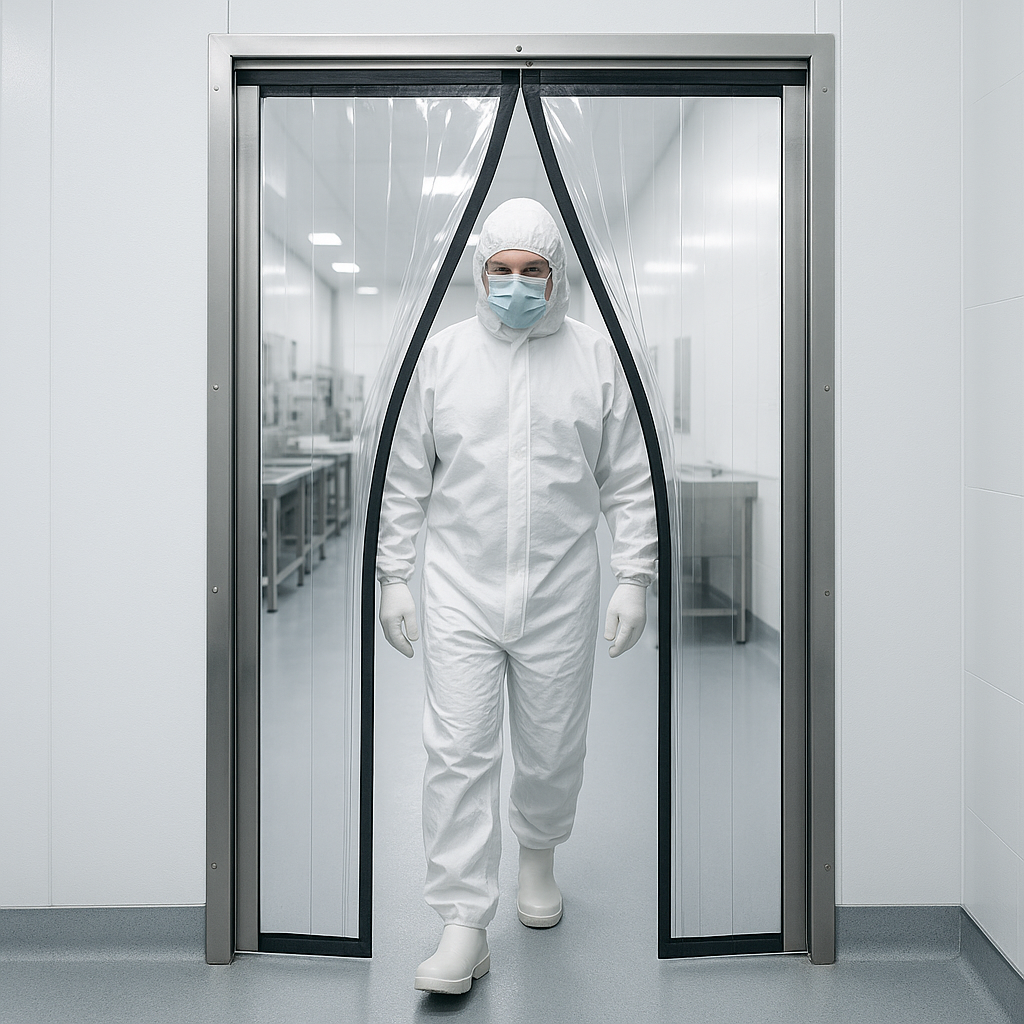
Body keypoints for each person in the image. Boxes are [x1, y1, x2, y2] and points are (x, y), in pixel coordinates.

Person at [376, 198, 657, 994]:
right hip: (460, 583)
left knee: (552, 739)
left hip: (562, 586)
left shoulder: (596, 359)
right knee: (457, 751)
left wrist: (635, 576)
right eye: (501, 271)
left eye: (532, 271)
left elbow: (629, 481)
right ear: (479, 274)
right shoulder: (442, 357)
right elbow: (405, 477)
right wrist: (393, 574)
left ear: (556, 277)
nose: (515, 285)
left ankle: (539, 859)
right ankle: (463, 922)